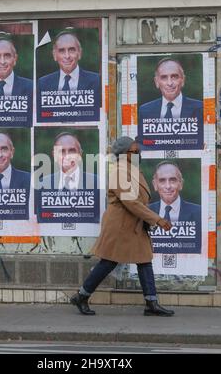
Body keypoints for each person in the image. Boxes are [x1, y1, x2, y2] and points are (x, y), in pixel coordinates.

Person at [70, 136, 175, 317]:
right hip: (120, 226)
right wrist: (156, 219)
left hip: (134, 224)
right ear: (125, 154)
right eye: (134, 151)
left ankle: (151, 302)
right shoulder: (119, 171)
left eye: (137, 150)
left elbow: (138, 200)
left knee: (144, 261)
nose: (138, 153)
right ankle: (81, 295)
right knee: (108, 262)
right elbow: (131, 202)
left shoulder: (132, 169)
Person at [138, 58, 203, 121]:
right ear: (156, 82)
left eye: (174, 77)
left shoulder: (201, 108)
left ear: (183, 80)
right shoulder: (145, 111)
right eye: (164, 77)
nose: (169, 83)